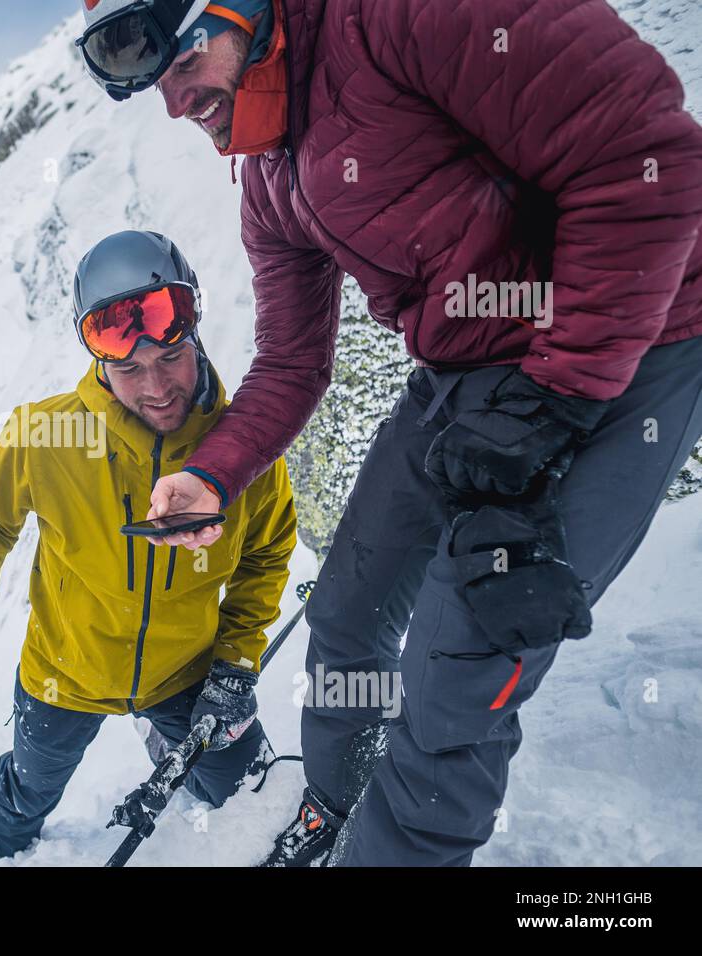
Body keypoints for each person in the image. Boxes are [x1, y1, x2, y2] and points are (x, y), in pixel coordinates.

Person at [77, 0, 702, 865]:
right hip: (462, 373)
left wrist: (549, 402)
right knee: (347, 614)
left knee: (459, 670)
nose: (176, 106)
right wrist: (213, 476)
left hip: (628, 346)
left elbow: (646, 154)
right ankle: (336, 803)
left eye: (183, 68)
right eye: (155, 89)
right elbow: (294, 361)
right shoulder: (269, 176)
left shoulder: (400, 16)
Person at [0, 230, 297, 857]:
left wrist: (236, 662)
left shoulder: (244, 452)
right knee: (28, 794)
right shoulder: (47, 434)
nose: (154, 387)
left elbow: (265, 556)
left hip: (188, 674)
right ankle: (6, 846)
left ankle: (166, 738)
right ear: (101, 364)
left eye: (170, 358)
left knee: (257, 800)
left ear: (195, 335)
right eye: (128, 368)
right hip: (64, 675)